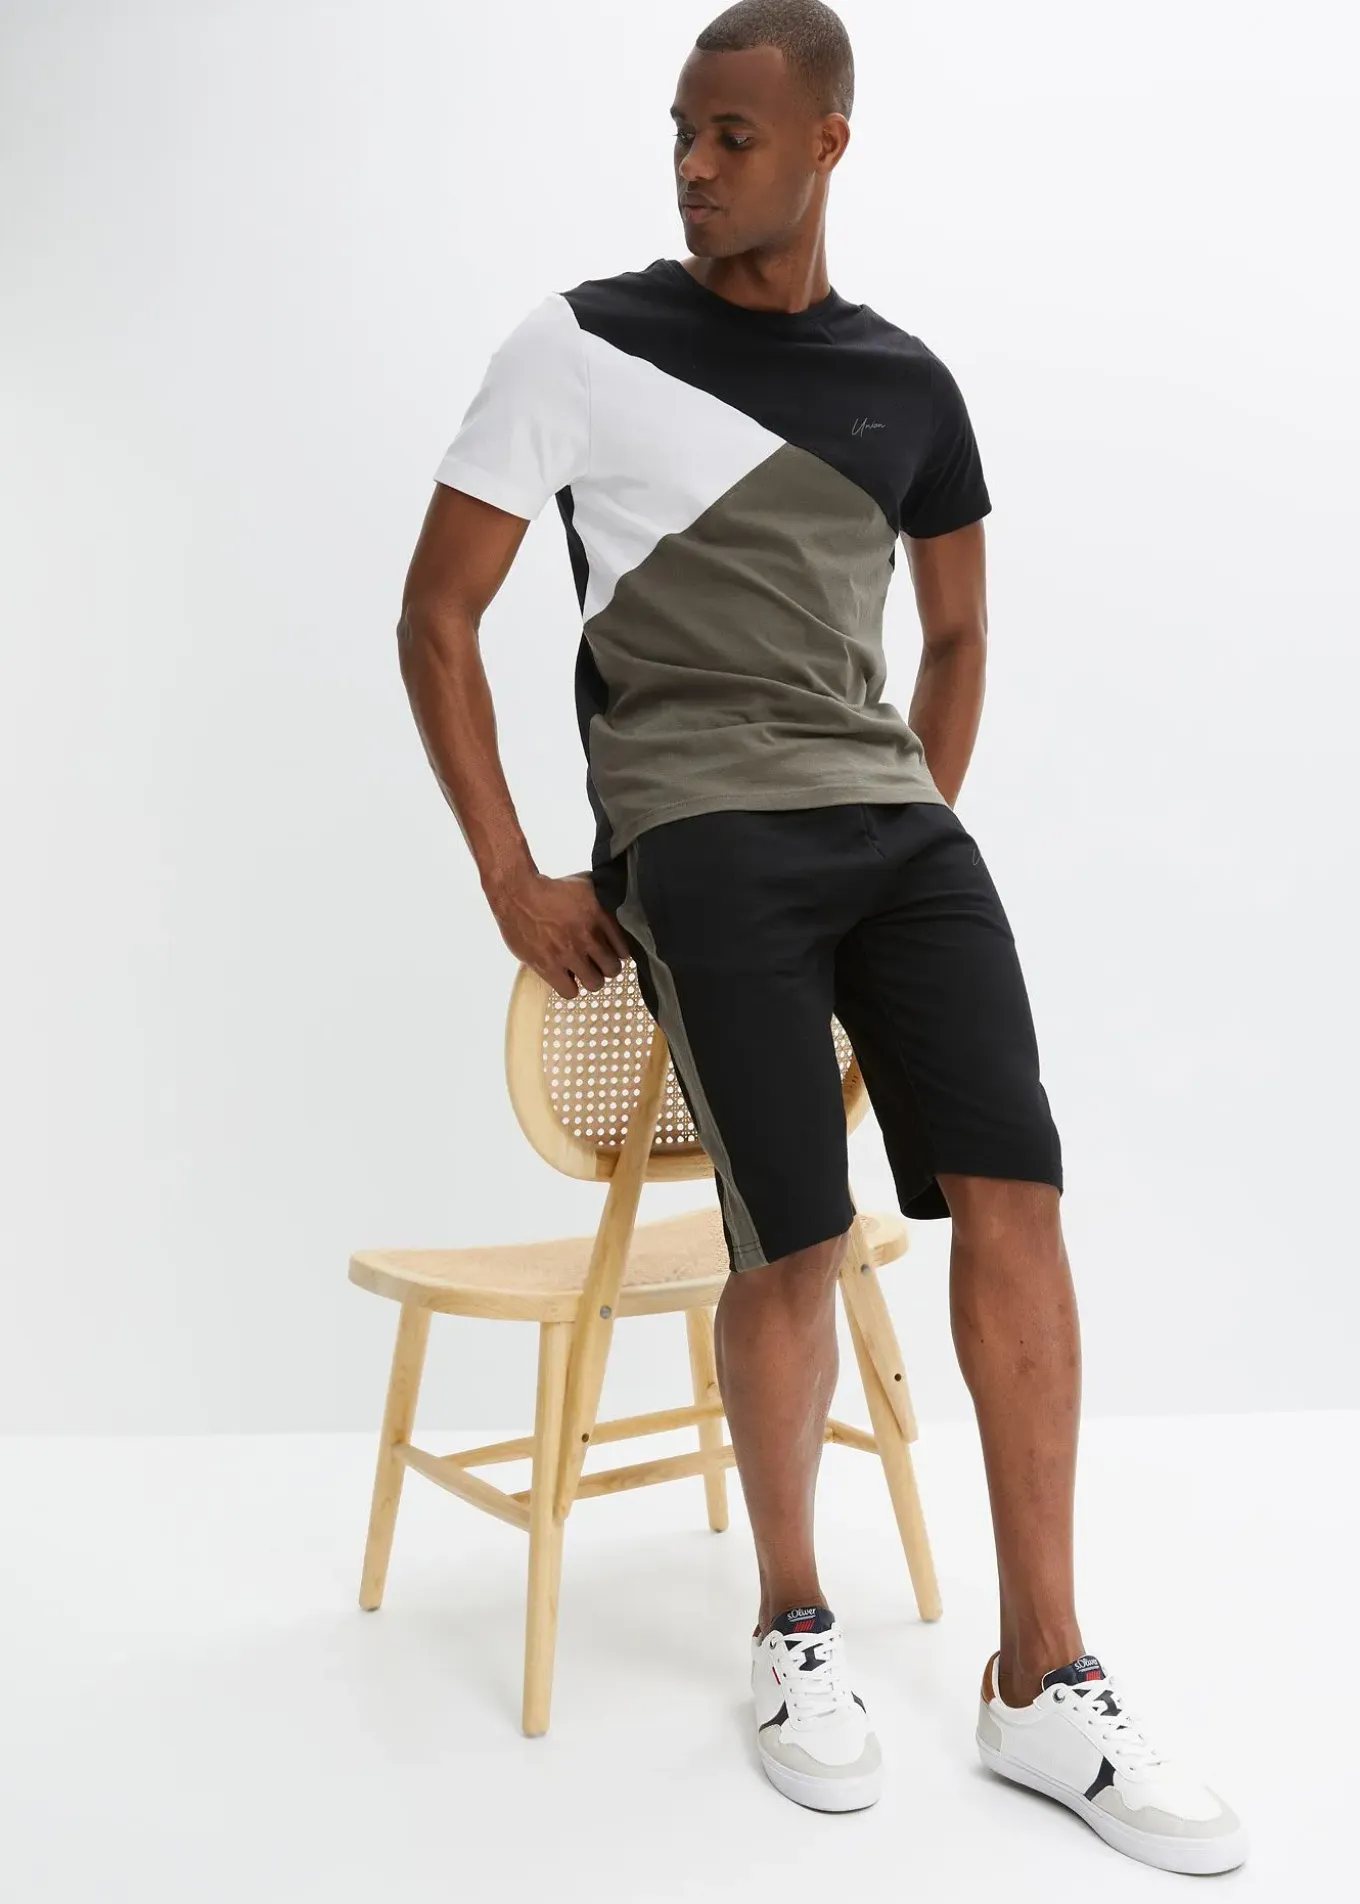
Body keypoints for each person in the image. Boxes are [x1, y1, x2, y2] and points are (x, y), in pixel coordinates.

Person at [396, 0, 1245, 1874]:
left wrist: (916, 811)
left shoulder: (908, 385)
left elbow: (960, 634)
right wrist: (512, 871)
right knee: (787, 1230)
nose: (694, 167)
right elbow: (435, 614)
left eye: (734, 136)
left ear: (828, 143)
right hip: (698, 832)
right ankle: (793, 1628)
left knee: (1016, 1197)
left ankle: (1044, 1675)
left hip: (892, 828)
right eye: (681, 132)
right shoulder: (578, 343)